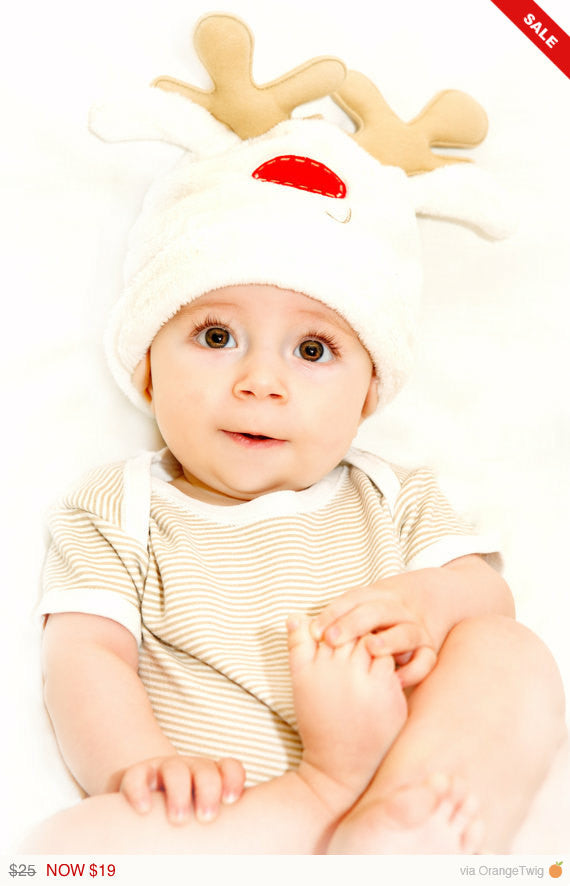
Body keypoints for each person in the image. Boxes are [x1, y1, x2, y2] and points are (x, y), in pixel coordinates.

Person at [22, 21, 566, 853]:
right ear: (145, 369)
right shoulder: (119, 507)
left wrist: (425, 605)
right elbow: (84, 655)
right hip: (237, 824)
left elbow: (484, 598)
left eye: (313, 350)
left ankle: (404, 833)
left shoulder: (393, 494)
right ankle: (333, 802)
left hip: (410, 791)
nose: (259, 382)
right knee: (57, 853)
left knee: (511, 652)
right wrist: (138, 767)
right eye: (214, 336)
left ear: (369, 393)